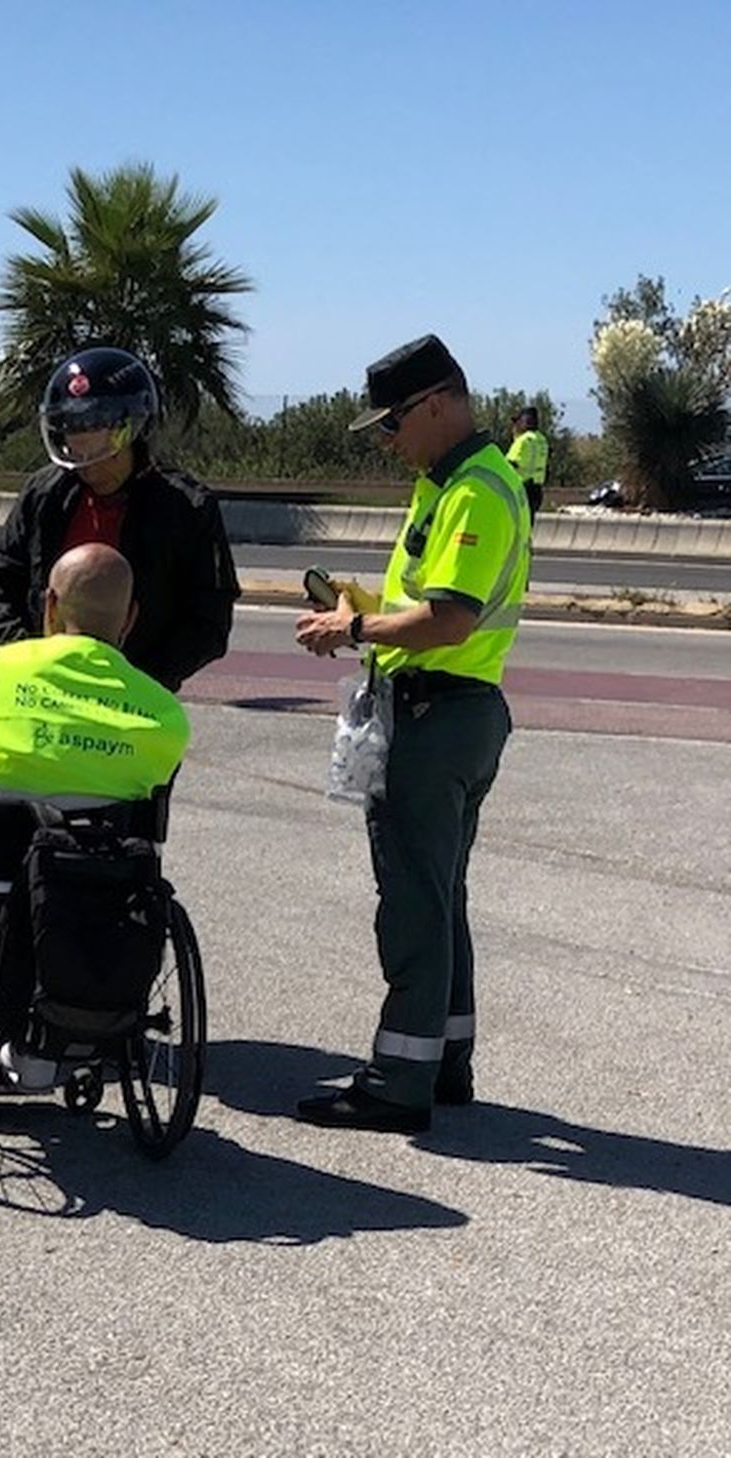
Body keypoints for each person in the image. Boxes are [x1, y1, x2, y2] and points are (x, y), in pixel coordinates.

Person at [293, 334, 531, 1133]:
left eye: (393, 423)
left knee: (412, 901)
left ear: (436, 404)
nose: (388, 442)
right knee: (440, 894)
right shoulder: (454, 482)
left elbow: (449, 617)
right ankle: (445, 1062)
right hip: (455, 709)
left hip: (439, 713)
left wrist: (358, 625)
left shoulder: (474, 491)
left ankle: (397, 1083)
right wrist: (368, 613)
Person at [0, 542, 190, 1090]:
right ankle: (49, 1048)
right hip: (100, 887)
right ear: (129, 618)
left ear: (49, 605)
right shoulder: (164, 712)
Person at [0, 346, 240, 692]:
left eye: (97, 445)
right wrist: (24, 656)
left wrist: (137, 681)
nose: (86, 462)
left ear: (130, 431)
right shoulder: (43, 495)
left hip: (134, 693)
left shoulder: (187, 508)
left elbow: (209, 620)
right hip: (39, 688)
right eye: (73, 441)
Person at [506, 406, 549, 519]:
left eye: (517, 422)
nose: (515, 427)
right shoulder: (542, 440)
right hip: (537, 490)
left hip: (522, 490)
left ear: (524, 422)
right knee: (528, 526)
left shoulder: (523, 440)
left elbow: (509, 465)